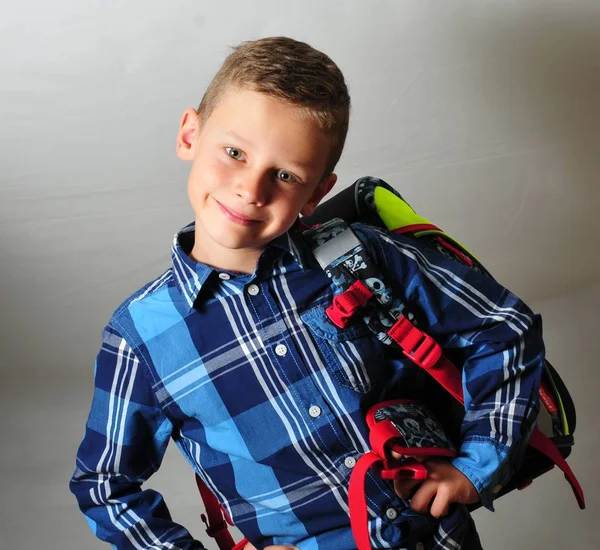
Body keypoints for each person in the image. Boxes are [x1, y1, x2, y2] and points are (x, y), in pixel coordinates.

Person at [70, 36, 544, 550]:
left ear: (317, 192)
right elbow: (105, 487)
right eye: (234, 152)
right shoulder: (140, 336)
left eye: (285, 174)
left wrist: (477, 468)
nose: (252, 190)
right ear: (190, 135)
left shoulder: (360, 257)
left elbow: (502, 327)